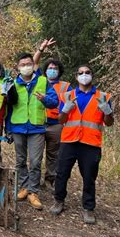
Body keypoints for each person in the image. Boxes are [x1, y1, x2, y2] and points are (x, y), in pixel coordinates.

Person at [50, 64, 114, 224]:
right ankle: (59, 201)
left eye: (87, 72)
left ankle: (88, 208)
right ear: (76, 76)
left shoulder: (103, 96)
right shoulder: (67, 95)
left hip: (91, 143)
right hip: (69, 140)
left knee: (89, 177)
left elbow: (109, 122)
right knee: (62, 173)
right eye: (81, 73)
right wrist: (65, 109)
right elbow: (61, 120)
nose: (84, 75)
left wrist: (107, 111)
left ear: (92, 75)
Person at [7, 53, 58, 210]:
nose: (26, 67)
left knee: (35, 161)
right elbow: (9, 108)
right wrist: (8, 129)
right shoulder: (13, 83)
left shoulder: (43, 82)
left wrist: (44, 99)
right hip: (18, 126)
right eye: (22, 65)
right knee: (20, 160)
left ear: (33, 65)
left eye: (28, 64)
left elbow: (54, 102)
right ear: (18, 67)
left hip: (36, 127)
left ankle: (33, 192)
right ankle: (24, 187)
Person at [41, 58, 71, 189]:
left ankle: (49, 180)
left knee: (53, 154)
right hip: (39, 123)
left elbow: (71, 105)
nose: (52, 71)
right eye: (49, 68)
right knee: (35, 154)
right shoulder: (40, 82)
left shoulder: (66, 86)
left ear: (59, 71)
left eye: (55, 68)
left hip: (56, 124)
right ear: (45, 70)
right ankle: (33, 181)